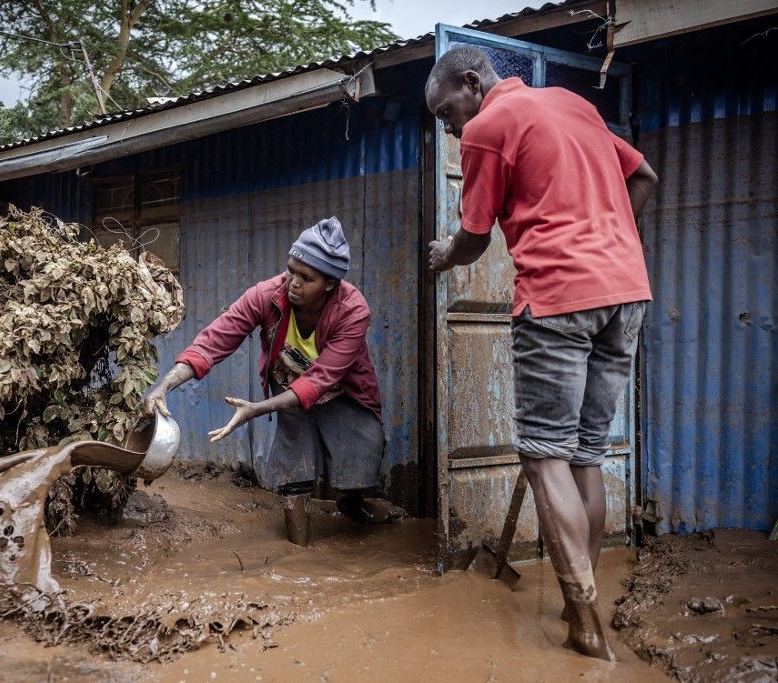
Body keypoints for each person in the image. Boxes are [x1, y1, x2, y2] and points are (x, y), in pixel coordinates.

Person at [424, 47, 658, 661]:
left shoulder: (487, 129)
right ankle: (577, 601)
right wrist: (611, 244)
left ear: (472, 84)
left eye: (447, 111)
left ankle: (585, 626)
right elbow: (644, 177)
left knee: (544, 455)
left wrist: (445, 254)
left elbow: (475, 238)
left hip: (558, 299)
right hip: (627, 294)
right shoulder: (574, 105)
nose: (450, 128)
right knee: (583, 453)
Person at [142, 217, 390, 545]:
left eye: (306, 278)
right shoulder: (267, 295)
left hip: (341, 389)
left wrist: (256, 409)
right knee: (294, 464)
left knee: (361, 456)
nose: (293, 283)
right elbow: (217, 338)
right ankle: (298, 551)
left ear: (330, 284)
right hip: (286, 385)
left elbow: (320, 380)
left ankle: (351, 502)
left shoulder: (353, 309)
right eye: (291, 270)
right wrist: (166, 384)